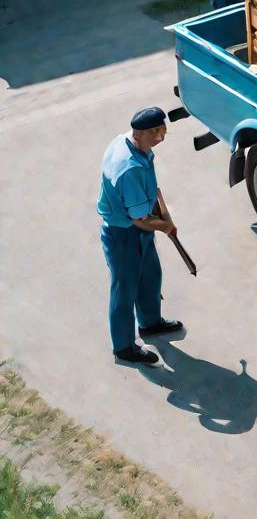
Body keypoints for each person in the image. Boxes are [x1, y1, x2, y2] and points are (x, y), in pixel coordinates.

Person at [97, 107, 184, 365]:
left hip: (137, 226)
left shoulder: (131, 142)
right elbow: (140, 219)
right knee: (125, 288)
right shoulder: (130, 168)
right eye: (160, 133)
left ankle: (150, 324)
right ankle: (124, 347)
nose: (163, 138)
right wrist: (165, 226)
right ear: (148, 132)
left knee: (150, 275)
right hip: (124, 234)